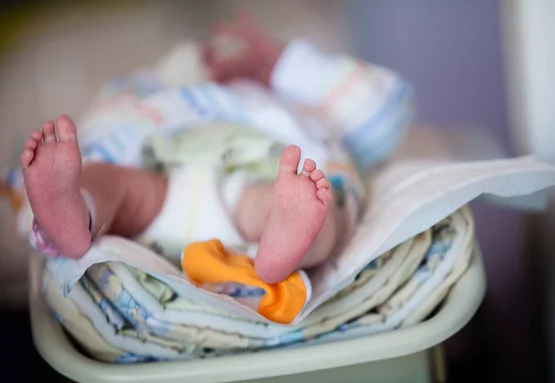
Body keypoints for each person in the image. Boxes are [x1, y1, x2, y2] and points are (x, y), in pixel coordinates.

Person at [21, 14, 410, 284]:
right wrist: (174, 83)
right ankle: (75, 212)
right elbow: (120, 111)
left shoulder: (296, 99)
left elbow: (379, 111)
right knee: (106, 178)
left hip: (252, 182)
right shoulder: (174, 88)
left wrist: (284, 65)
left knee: (316, 205)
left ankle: (289, 242)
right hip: (163, 180)